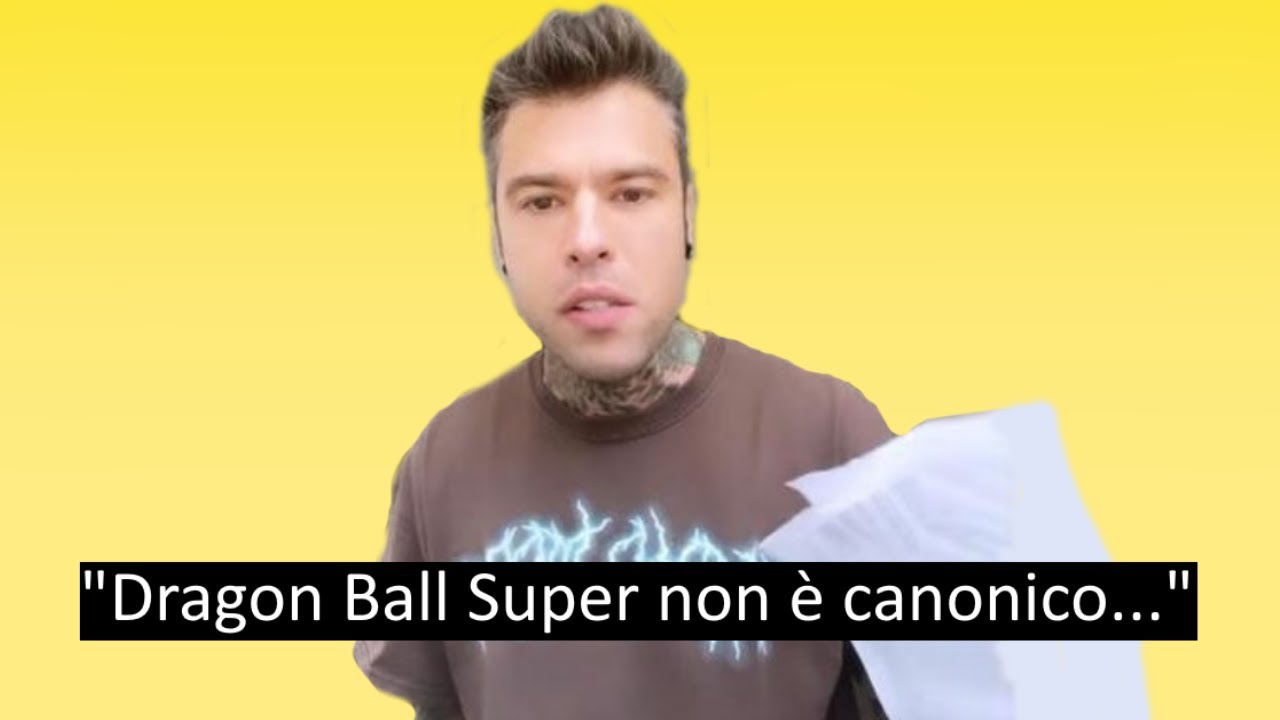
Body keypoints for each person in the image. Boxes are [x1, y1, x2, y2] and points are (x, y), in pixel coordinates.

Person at [354, 5, 894, 718]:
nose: (587, 240)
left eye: (631, 194)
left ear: (688, 214)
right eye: (542, 201)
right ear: (497, 236)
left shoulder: (831, 437)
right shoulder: (442, 463)